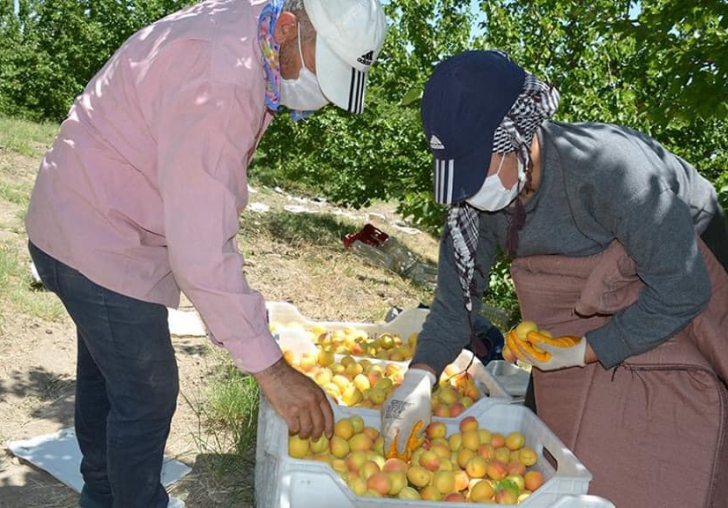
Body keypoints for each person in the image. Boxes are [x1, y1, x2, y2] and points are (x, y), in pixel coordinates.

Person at [24, 0, 386, 506]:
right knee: (146, 391)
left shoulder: (248, 28)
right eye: (321, 73)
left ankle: (103, 493)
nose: (319, 97)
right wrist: (273, 372)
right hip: (97, 230)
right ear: (287, 28)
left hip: (94, 213)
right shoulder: (221, 83)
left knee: (112, 374)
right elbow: (200, 254)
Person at [381, 50, 728, 504]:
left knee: (665, 429)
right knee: (554, 437)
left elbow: (683, 288)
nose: (465, 188)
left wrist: (590, 350)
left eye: (475, 164)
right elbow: (454, 305)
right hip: (590, 288)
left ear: (517, 137)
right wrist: (420, 378)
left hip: (683, 265)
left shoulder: (609, 171)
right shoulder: (479, 201)